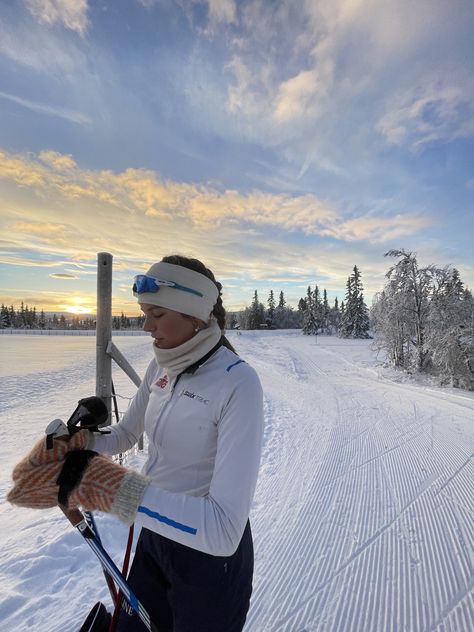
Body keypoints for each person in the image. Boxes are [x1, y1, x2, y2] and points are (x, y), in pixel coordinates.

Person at [8, 255, 264, 632]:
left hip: (208, 562)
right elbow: (127, 434)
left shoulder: (237, 383)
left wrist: (109, 488)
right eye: (145, 313)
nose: (146, 326)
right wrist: (83, 441)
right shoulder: (160, 366)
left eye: (157, 314)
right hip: (154, 537)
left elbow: (224, 529)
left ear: (192, 313)